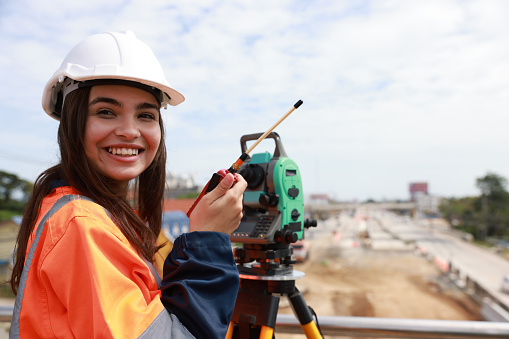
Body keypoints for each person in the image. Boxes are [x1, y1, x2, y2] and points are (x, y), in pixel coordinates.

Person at [9, 31, 247, 339]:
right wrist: (208, 241)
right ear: (72, 122)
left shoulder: (104, 215)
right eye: (106, 112)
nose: (129, 131)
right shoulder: (80, 223)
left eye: (146, 115)